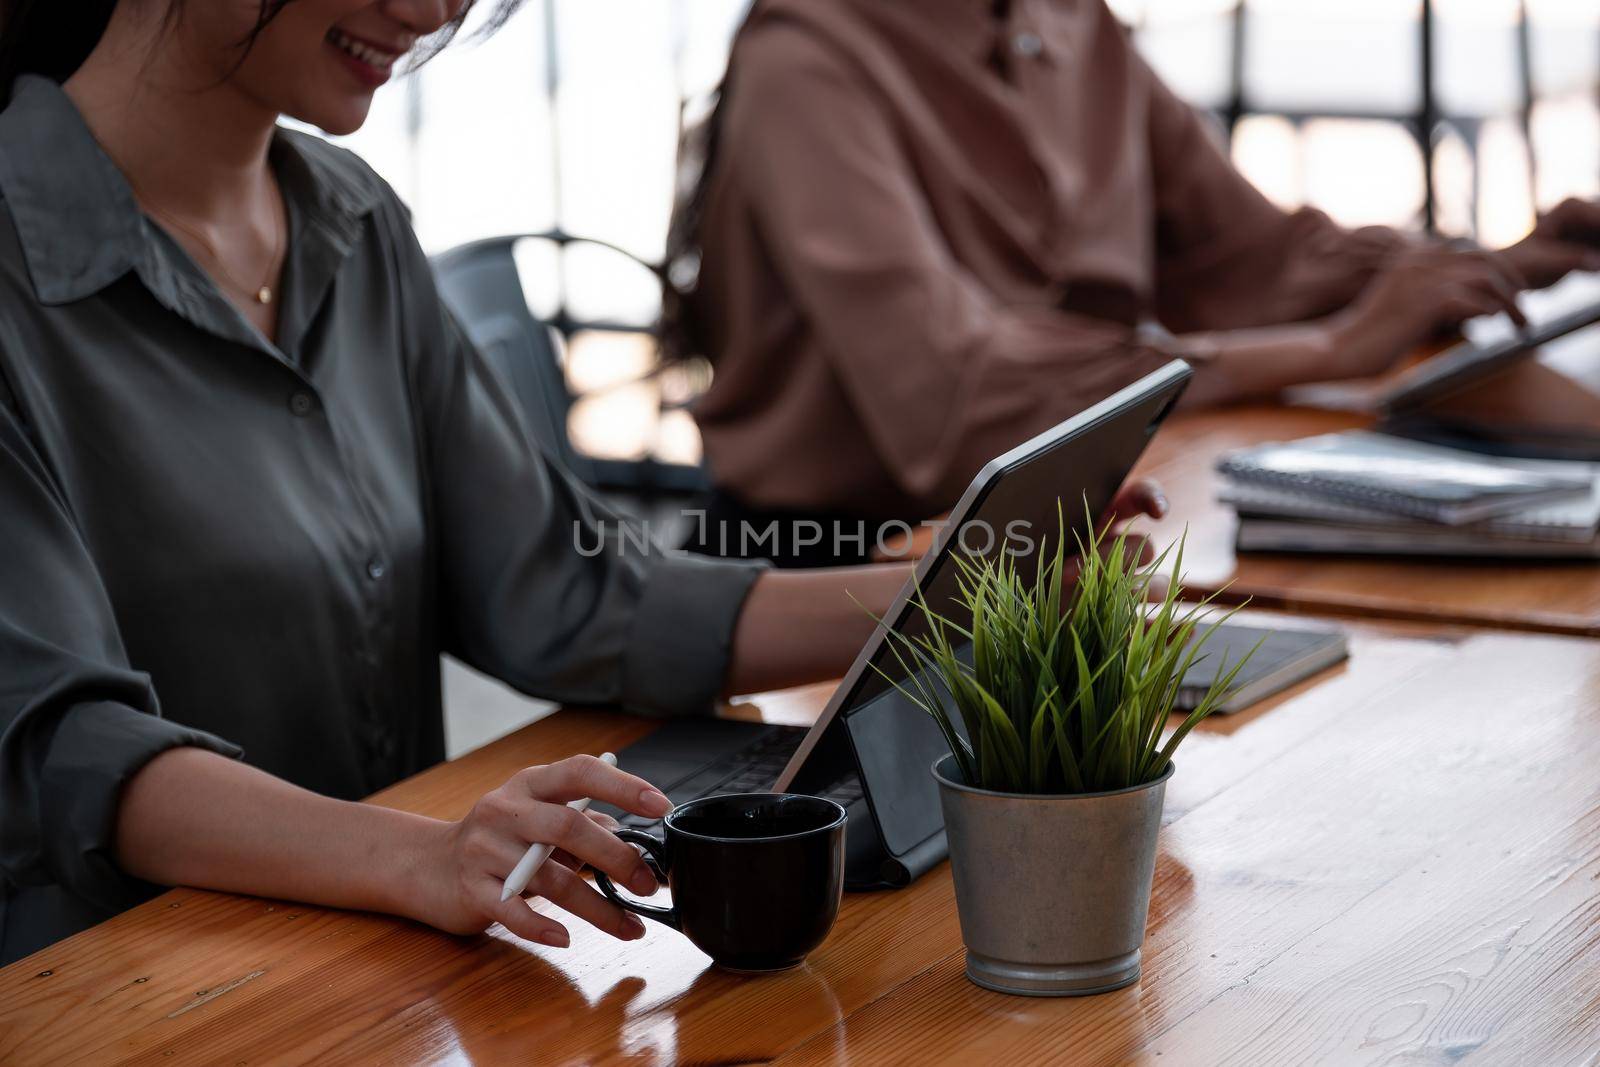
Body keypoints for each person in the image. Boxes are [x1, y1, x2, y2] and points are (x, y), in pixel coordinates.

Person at [0, 0, 970, 965]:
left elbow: (561, 591)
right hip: (123, 990)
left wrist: (969, 588)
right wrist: (422, 854)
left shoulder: (353, 219)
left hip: (387, 979)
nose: (429, 13)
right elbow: (59, 743)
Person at [667, 0, 1600, 560]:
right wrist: (1331, 348)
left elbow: (1249, 259)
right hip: (836, 562)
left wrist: (1477, 265)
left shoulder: (1069, 21)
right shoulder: (807, 59)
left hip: (1068, 535)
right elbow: (957, 399)